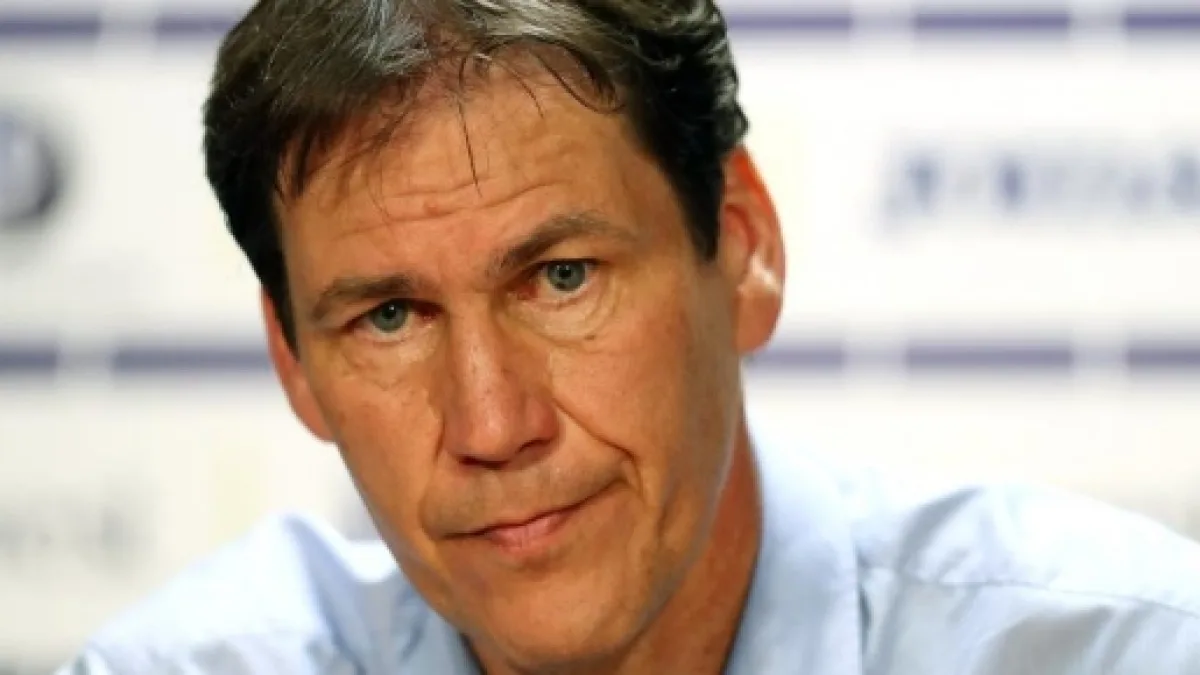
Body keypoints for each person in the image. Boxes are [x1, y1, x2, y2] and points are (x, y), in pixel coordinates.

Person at [59, 1, 1200, 673]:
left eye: (562, 278)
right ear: (293, 364)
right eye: (390, 317)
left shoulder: (1125, 651)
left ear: (743, 248)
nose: (493, 423)